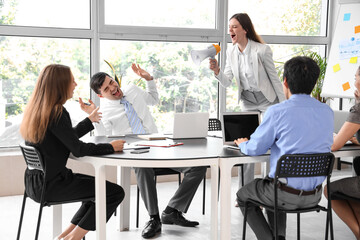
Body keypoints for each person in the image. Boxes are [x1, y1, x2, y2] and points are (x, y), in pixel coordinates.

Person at [79, 63, 207, 239]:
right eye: (107, 89)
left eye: (112, 82)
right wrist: (94, 118)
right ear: (101, 95)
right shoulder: (104, 111)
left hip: (158, 143)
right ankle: (154, 218)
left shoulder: (132, 90)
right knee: (142, 167)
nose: (113, 88)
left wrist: (149, 80)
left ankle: (172, 210)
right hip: (134, 151)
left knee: (198, 166)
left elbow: (153, 100)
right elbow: (105, 138)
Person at [19, 64, 126, 240]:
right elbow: (78, 148)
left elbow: (65, 138)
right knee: (114, 192)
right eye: (72, 81)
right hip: (52, 185)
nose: (75, 85)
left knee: (96, 192)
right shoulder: (57, 112)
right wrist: (110, 147)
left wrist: (88, 121)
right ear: (60, 84)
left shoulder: (39, 110)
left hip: (34, 184)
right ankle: (73, 238)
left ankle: (63, 237)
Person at [234, 56, 333, 240]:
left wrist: (243, 144)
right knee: (273, 182)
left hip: (284, 195)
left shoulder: (277, 111)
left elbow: (256, 148)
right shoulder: (326, 111)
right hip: (315, 195)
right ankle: (279, 237)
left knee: (243, 195)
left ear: (285, 81)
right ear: (314, 82)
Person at [209, 13, 286, 192]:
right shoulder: (231, 51)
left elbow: (274, 79)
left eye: (234, 27)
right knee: (246, 143)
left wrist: (283, 106)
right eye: (229, 28)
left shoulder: (262, 50)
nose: (230, 30)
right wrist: (217, 71)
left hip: (268, 101)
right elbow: (228, 81)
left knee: (269, 142)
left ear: (245, 29)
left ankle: (269, 187)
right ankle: (246, 192)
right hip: (248, 102)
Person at [324, 66, 360, 240]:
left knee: (328, 189)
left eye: (355, 77)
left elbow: (334, 145)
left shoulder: (359, 110)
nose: (354, 82)